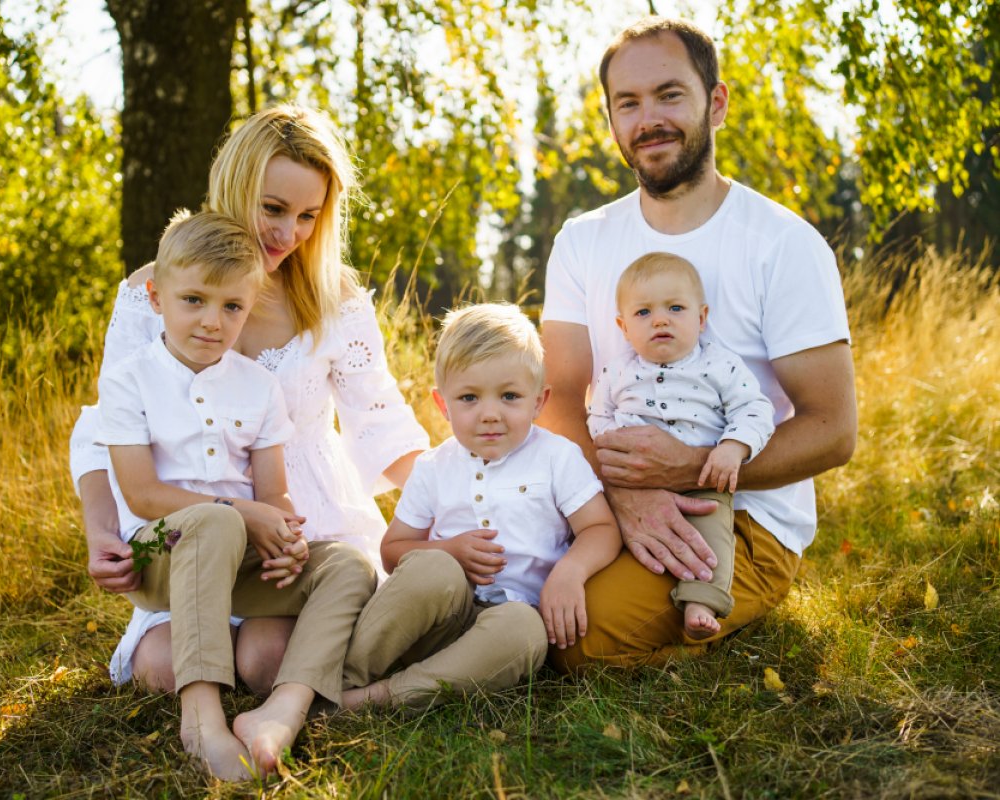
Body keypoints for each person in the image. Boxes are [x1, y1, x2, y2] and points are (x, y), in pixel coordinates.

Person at [69, 106, 428, 726]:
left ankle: (272, 673)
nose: (289, 233)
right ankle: (215, 680)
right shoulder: (155, 290)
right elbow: (105, 432)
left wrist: (458, 499)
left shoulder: (333, 297)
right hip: (188, 523)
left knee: (267, 660)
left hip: (301, 521)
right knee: (161, 666)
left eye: (309, 216)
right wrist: (102, 533)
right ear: (235, 188)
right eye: (273, 208)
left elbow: (380, 423)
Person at [539, 17, 857, 670]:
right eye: (628, 103)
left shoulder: (783, 244)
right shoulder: (582, 240)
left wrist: (688, 467)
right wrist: (620, 497)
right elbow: (559, 398)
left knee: (573, 638)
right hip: (602, 490)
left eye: (669, 95)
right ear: (610, 120)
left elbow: (833, 430)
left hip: (739, 516)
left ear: (716, 103)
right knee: (502, 587)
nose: (648, 119)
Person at [96, 208, 375, 780]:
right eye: (193, 300)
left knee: (348, 563)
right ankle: (201, 720)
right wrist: (243, 513)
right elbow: (142, 494)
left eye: (231, 307)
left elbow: (274, 493)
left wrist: (287, 535)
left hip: (239, 559)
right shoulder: (129, 381)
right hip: (159, 556)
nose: (212, 322)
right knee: (217, 522)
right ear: (156, 298)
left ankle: (287, 704)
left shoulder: (259, 387)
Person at [340, 304, 621, 709]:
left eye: (509, 396)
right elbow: (392, 551)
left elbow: (601, 528)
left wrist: (570, 571)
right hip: (439, 620)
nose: (490, 414)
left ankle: (383, 696)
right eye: (469, 397)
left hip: (506, 627)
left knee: (524, 630)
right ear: (443, 405)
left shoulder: (557, 457)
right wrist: (447, 551)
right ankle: (344, 676)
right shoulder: (433, 467)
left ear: (538, 401)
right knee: (432, 569)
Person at [586, 251, 775, 639]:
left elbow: (754, 408)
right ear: (623, 327)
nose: (660, 320)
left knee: (711, 539)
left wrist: (732, 447)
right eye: (643, 313)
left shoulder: (719, 364)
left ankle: (700, 602)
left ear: (701, 318)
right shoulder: (617, 371)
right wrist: (610, 443)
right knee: (602, 531)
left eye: (675, 308)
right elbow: (598, 415)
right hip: (632, 483)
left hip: (702, 484)